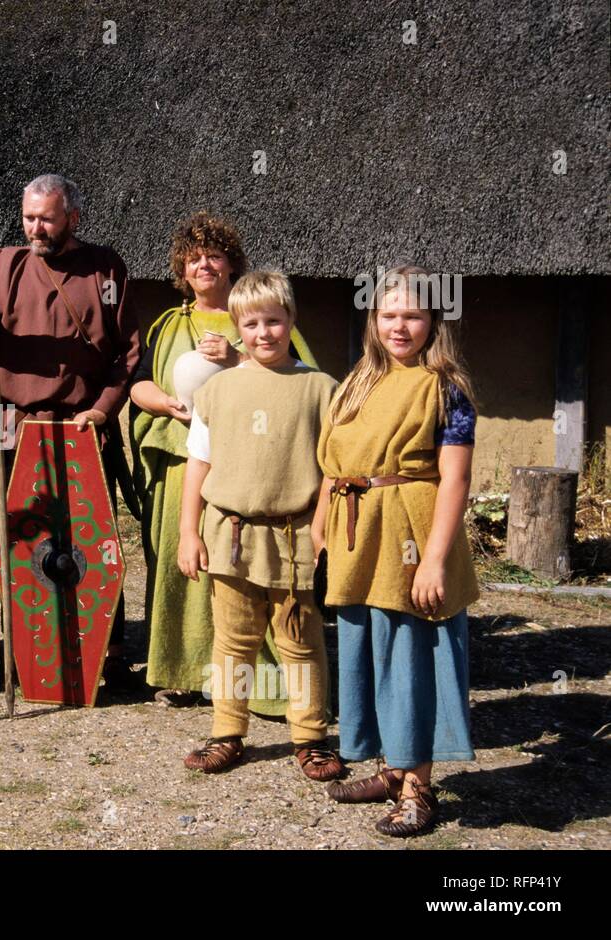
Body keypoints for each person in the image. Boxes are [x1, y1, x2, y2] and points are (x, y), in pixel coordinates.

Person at [0, 173, 141, 691]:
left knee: (92, 541)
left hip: (84, 427)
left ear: (73, 219)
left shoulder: (106, 267)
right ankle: (26, 652)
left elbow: (128, 352)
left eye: (48, 219)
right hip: (21, 432)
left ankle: (108, 651)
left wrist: (104, 410)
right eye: (29, 218)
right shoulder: (5, 265)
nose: (36, 228)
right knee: (24, 543)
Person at [312, 264, 479, 837]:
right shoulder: (359, 379)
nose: (400, 326)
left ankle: (418, 790)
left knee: (412, 655)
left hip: (412, 531)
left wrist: (434, 558)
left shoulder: (445, 389)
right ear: (373, 320)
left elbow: (455, 481)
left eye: (413, 315)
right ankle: (390, 769)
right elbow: (333, 465)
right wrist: (321, 525)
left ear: (434, 320)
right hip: (359, 534)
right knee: (370, 649)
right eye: (389, 315)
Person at [130, 211, 319, 712]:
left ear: (232, 264)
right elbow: (139, 384)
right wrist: (167, 404)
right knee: (181, 561)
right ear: (182, 271)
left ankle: (260, 684)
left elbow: (304, 387)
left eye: (214, 256)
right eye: (193, 260)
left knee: (247, 570)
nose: (204, 265)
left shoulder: (261, 319)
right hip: (181, 460)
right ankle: (181, 671)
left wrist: (238, 359)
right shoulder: (170, 324)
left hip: (249, 470)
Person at [176, 271, 342, 780]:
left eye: (273, 321)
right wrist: (188, 531)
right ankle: (228, 732)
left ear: (291, 321)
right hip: (229, 535)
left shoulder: (321, 388)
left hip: (294, 538)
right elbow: (198, 464)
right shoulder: (218, 390)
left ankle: (310, 737)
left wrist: (323, 533)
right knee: (233, 640)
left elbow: (335, 469)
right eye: (251, 323)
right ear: (235, 327)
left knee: (299, 638)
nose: (263, 333)